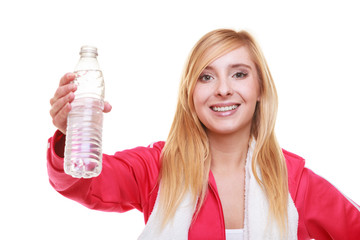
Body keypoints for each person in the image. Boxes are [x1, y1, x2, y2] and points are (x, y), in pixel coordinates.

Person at [48, 29, 360, 240]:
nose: (223, 89)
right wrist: (68, 135)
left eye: (239, 73)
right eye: (206, 77)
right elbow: (82, 183)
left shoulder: (294, 181)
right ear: (190, 93)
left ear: (260, 88)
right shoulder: (156, 167)